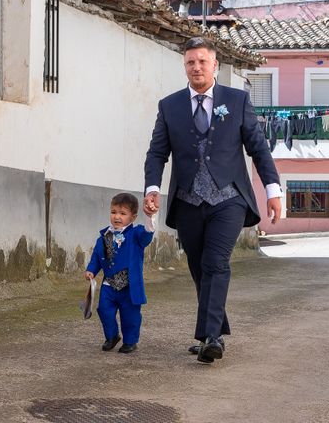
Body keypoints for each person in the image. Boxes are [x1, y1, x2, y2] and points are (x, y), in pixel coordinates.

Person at [143, 37, 282, 364]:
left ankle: (209, 337)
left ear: (215, 65)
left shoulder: (237, 100)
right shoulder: (169, 106)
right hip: (188, 199)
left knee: (215, 263)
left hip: (229, 198)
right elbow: (157, 152)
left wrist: (273, 191)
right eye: (191, 62)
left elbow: (258, 148)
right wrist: (151, 187)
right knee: (198, 267)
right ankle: (214, 330)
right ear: (185, 66)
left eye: (203, 61)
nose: (196, 67)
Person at [85, 193, 155, 354]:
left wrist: (150, 217)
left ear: (133, 216)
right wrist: (91, 270)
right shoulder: (104, 237)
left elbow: (147, 234)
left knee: (130, 316)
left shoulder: (136, 234)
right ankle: (112, 336)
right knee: (103, 310)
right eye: (114, 212)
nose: (117, 217)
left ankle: (130, 341)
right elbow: (97, 256)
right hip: (109, 285)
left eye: (122, 213)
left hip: (129, 287)